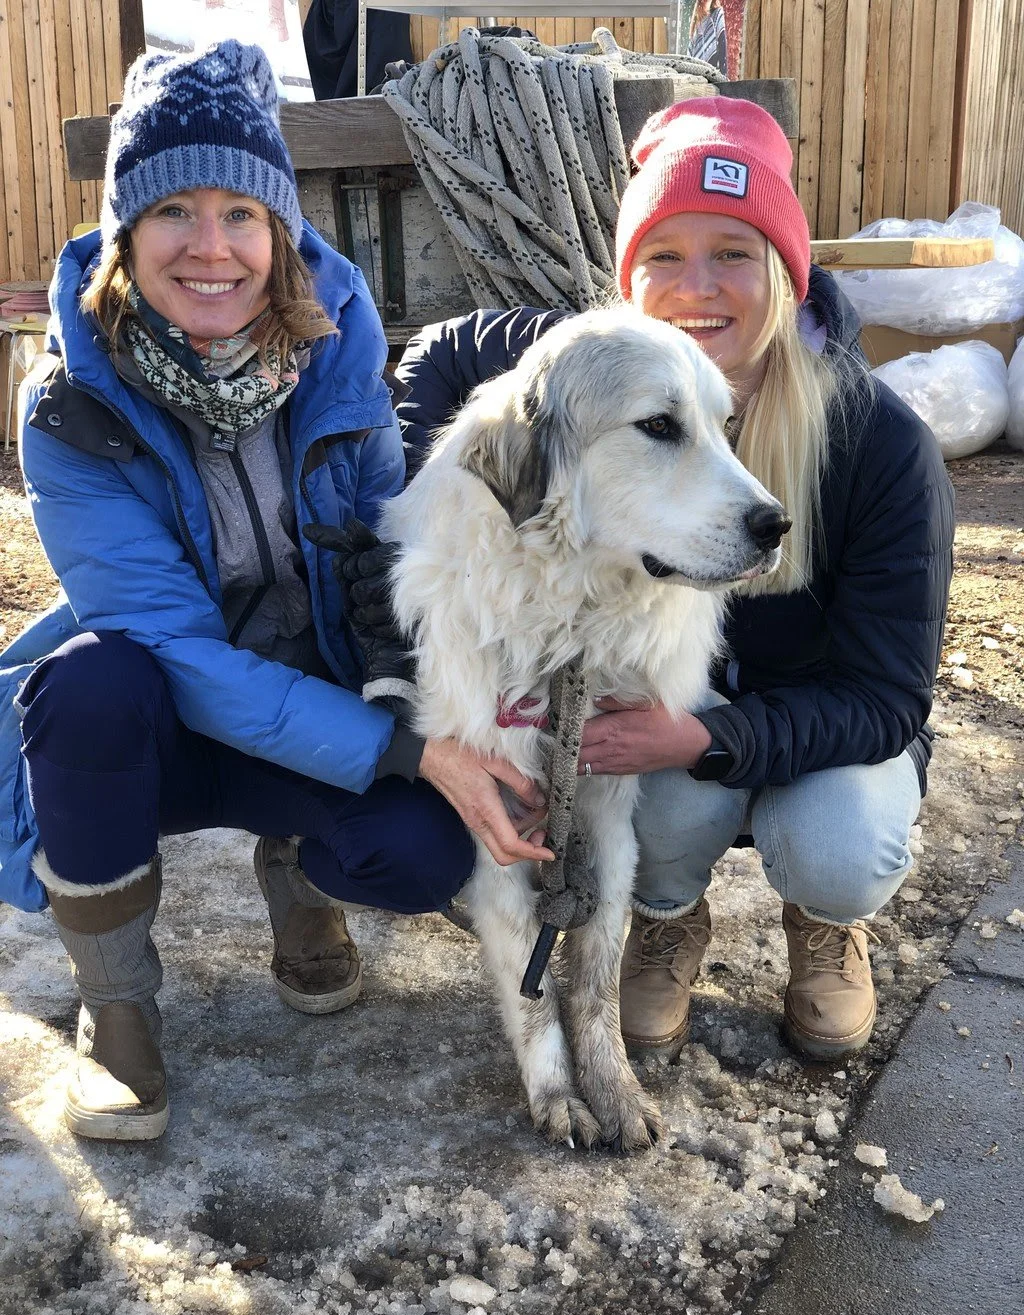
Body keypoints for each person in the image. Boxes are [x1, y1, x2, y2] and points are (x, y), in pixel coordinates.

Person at [0, 39, 551, 1142]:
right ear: (125, 232)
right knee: (89, 686)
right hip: (163, 717)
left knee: (420, 851)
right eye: (173, 211)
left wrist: (460, 710)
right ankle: (118, 1013)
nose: (211, 247)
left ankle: (298, 871)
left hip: (316, 696)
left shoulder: (340, 348)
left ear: (281, 231)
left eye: (241, 214)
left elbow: (391, 556)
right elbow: (175, 647)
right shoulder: (70, 407)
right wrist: (408, 751)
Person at [390, 97, 955, 1062]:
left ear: (784, 272)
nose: (696, 287)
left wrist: (705, 735)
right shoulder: (597, 367)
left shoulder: (881, 444)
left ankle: (824, 922)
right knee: (635, 800)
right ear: (627, 282)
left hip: (822, 734)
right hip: (665, 719)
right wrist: (431, 495)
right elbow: (440, 357)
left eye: (733, 251)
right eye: (663, 254)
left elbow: (887, 699)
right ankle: (666, 915)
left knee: (838, 841)